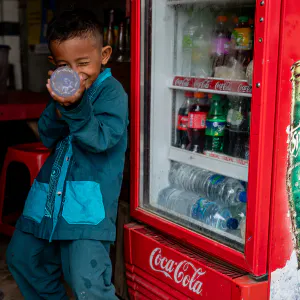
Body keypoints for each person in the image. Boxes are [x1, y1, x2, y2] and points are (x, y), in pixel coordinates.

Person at [6, 8, 128, 300]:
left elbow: (101, 139)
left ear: (105, 54)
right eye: (65, 65)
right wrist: (60, 107)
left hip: (86, 207)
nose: (75, 73)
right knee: (24, 258)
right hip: (48, 200)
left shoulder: (112, 93)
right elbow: (47, 136)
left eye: (83, 62)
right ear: (54, 64)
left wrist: (75, 107)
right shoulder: (63, 95)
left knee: (86, 281)